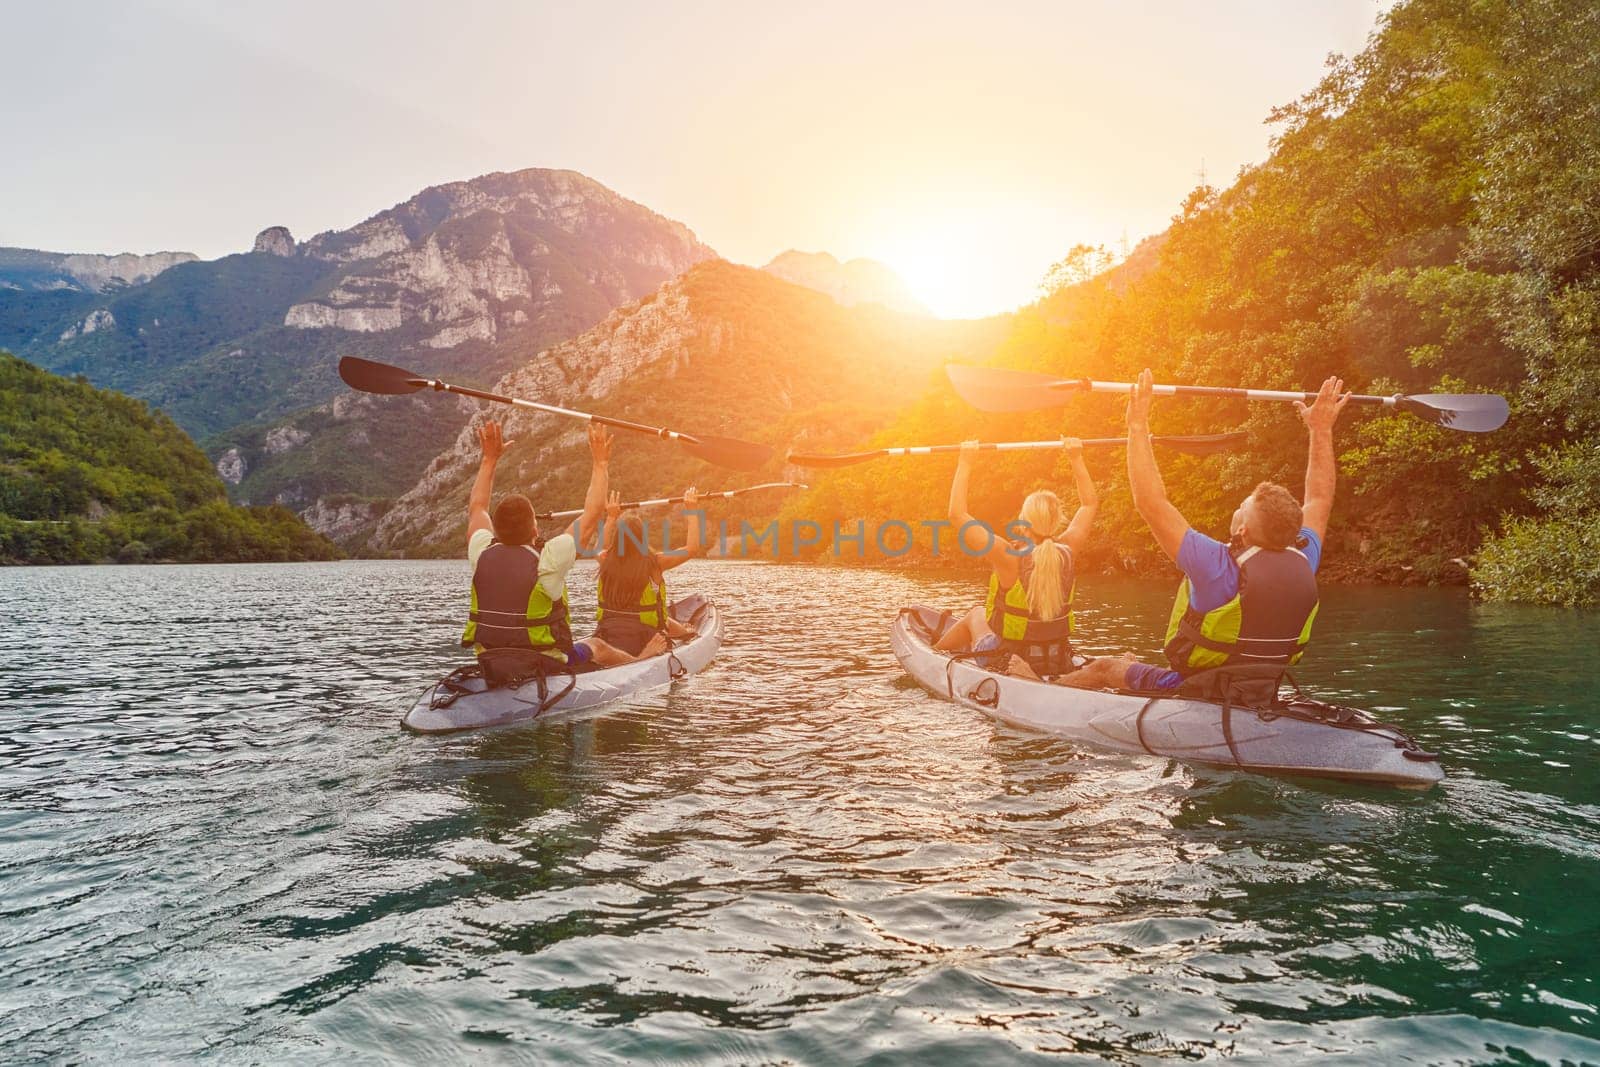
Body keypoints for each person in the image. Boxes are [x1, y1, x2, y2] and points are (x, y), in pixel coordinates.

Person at [1023, 369, 1350, 698]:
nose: (1238, 508)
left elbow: (1151, 502)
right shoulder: (1304, 557)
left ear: (1243, 529)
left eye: (1242, 505)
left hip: (1197, 686)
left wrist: (1137, 425)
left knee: (1105, 668)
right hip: (1263, 685)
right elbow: (1319, 499)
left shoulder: (1214, 564)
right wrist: (1320, 430)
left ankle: (1038, 689)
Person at [461, 418, 612, 684]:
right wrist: (600, 463)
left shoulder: (480, 550)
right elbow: (593, 514)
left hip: (491, 659)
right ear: (534, 529)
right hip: (543, 662)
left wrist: (489, 460)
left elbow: (477, 508)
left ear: (495, 530)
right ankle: (647, 660)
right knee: (598, 645)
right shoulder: (549, 560)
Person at [933, 437, 1099, 676]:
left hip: (1007, 661)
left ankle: (933, 658)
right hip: (1057, 659)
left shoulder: (1006, 555)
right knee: (980, 615)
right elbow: (1089, 504)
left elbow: (957, 514)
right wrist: (1076, 458)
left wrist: (965, 462)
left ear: (1024, 521)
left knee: (976, 613)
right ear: (1057, 520)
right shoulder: (1069, 549)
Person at [583, 487, 706, 663]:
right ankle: (645, 655)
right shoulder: (655, 563)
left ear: (617, 538)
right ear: (642, 538)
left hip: (608, 635)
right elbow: (692, 548)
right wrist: (692, 511)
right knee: (658, 618)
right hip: (643, 640)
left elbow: (598, 548)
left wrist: (611, 517)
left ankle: (684, 632)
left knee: (661, 618)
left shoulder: (605, 560)